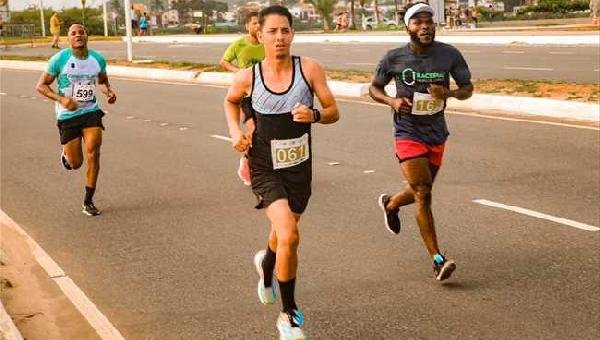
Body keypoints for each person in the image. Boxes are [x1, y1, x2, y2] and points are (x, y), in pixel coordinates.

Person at [224, 6, 339, 339]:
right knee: (289, 234)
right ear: (259, 35)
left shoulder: (310, 70)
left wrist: (315, 116)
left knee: (283, 235)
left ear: (292, 34)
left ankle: (267, 265)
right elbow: (230, 102)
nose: (279, 37)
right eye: (272, 31)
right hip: (264, 166)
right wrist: (235, 132)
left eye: (285, 31)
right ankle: (288, 314)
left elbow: (333, 111)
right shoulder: (249, 76)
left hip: (299, 168)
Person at [369, 2, 473, 282]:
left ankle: (390, 204)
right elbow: (374, 88)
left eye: (429, 21)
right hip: (408, 131)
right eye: (418, 22)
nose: (425, 26)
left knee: (419, 190)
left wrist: (448, 93)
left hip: (437, 132)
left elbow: (468, 89)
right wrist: (392, 100)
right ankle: (438, 260)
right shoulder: (394, 58)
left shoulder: (449, 55)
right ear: (407, 26)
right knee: (424, 193)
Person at [36, 24, 117, 216]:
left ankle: (88, 201)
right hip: (68, 115)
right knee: (76, 163)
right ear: (68, 39)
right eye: (73, 33)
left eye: (81, 32)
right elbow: (41, 86)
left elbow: (103, 81)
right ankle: (66, 156)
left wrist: (108, 92)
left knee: (94, 152)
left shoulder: (97, 59)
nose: (78, 35)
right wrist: (62, 99)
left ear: (87, 36)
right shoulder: (59, 59)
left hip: (91, 112)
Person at [220, 11, 265, 186]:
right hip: (246, 96)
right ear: (247, 26)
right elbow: (223, 61)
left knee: (266, 133)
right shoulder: (238, 45)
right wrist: (238, 72)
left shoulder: (266, 44)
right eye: (254, 23)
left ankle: (252, 160)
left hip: (266, 94)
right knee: (254, 130)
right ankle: (249, 165)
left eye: (260, 23)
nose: (257, 26)